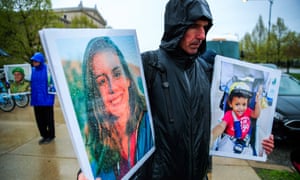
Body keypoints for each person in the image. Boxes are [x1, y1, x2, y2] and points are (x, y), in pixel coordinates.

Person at [79, 0, 274, 179]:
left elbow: (227, 119)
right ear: (176, 27)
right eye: (194, 26)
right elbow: (109, 122)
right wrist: (85, 171)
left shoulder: (206, 71)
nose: (202, 35)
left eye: (204, 27)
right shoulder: (149, 65)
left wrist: (262, 141)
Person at [79, 37, 153, 180]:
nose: (112, 88)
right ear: (95, 94)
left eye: (117, 74)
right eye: (102, 81)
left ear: (128, 79)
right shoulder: (98, 155)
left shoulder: (153, 125)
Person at [212, 81, 262, 155]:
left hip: (245, 143)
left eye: (244, 104)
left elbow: (256, 115)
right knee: (223, 151)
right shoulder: (229, 114)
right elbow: (222, 125)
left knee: (249, 154)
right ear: (230, 104)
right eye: (237, 104)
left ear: (248, 104)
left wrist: (258, 101)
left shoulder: (248, 111)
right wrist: (212, 136)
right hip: (229, 141)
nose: (241, 108)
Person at [30, 52, 55, 145]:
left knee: (48, 119)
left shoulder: (49, 70)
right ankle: (44, 135)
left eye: (36, 61)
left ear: (40, 61)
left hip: (47, 99)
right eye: (33, 61)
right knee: (39, 120)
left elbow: (54, 83)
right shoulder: (32, 70)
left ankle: (51, 136)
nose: (34, 63)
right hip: (36, 99)